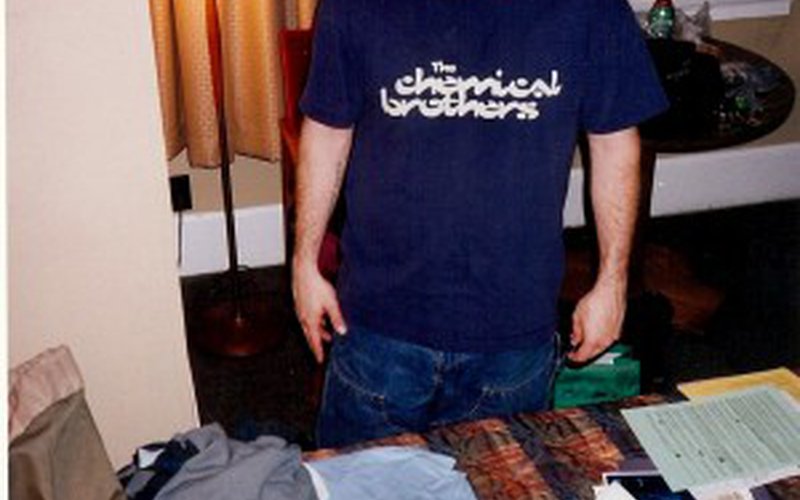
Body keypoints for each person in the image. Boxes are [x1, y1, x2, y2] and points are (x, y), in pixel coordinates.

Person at [292, 0, 668, 448]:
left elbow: (614, 143)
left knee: (500, 479)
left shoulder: (592, 9)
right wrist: (304, 263)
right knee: (354, 478)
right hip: (377, 321)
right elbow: (327, 130)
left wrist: (612, 282)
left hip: (514, 327)